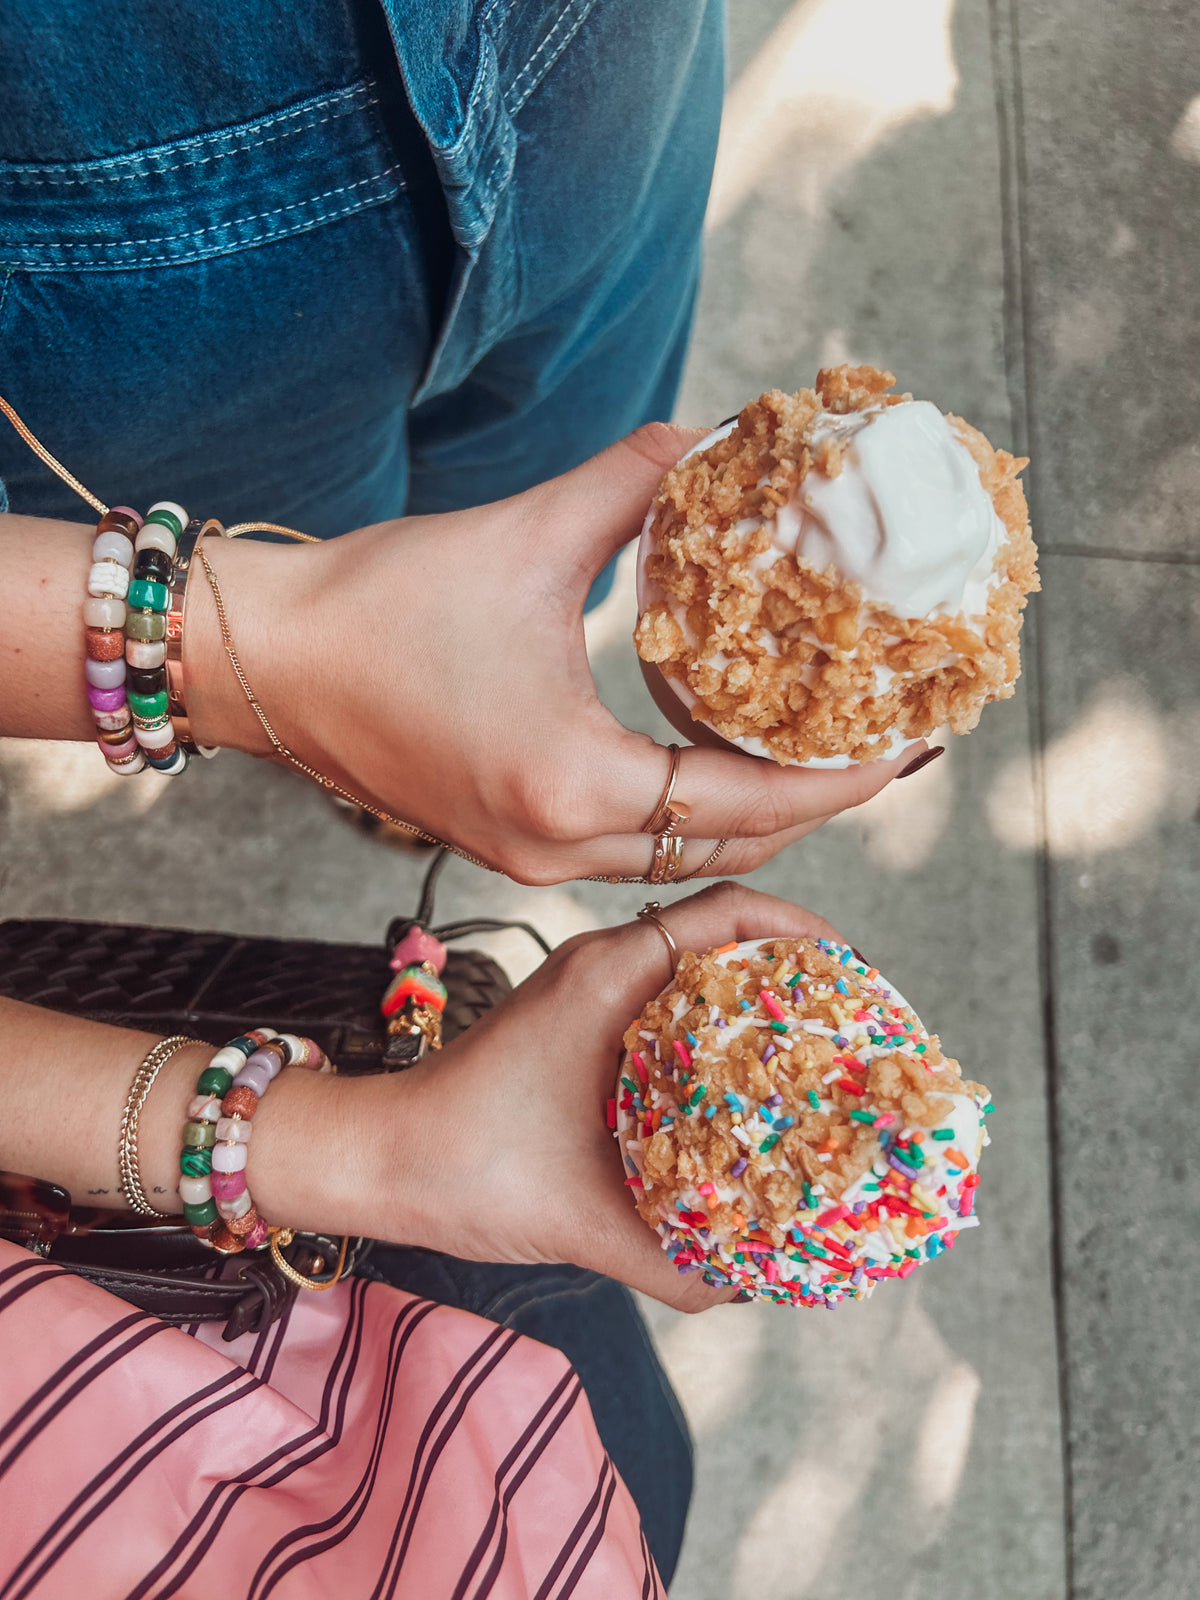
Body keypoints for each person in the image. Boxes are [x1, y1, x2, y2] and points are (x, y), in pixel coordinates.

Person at [0, 2, 927, 1591]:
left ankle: (384, 736)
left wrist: (263, 651)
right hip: (115, 210)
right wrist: (352, 1155)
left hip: (546, 61)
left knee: (514, 490)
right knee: (356, 507)